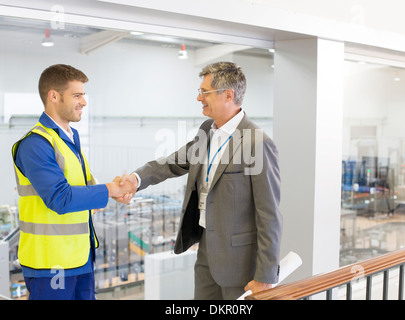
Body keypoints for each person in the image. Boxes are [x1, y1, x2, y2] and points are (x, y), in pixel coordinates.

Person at [118, 61, 282, 299]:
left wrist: (265, 276)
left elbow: (270, 215)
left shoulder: (256, 142)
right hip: (206, 251)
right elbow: (173, 162)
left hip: (240, 263)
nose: (198, 98)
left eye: (204, 92)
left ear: (228, 95)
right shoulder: (207, 131)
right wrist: (135, 179)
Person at [12, 64, 133, 300]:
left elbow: (87, 189)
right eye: (77, 95)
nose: (84, 102)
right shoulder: (35, 144)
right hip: (50, 264)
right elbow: (61, 198)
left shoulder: (70, 138)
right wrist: (109, 190)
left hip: (80, 257)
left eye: (83, 95)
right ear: (53, 96)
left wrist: (115, 192)